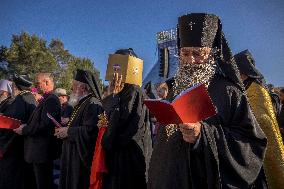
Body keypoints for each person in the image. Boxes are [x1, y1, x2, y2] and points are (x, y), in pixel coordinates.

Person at [148, 13, 267, 189]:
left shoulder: (229, 92)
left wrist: (202, 135)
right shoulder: (173, 86)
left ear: (211, 54)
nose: (190, 60)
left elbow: (252, 144)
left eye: (198, 53)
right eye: (185, 53)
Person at [235, 49, 284, 188]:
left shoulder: (255, 88)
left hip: (261, 143)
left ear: (243, 71)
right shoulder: (247, 86)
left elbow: (262, 119)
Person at [101, 48, 149, 189]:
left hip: (128, 157)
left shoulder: (133, 91)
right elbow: (104, 119)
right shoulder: (119, 91)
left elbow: (123, 124)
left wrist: (113, 98)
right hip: (118, 155)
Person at [55, 69, 103, 189]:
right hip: (72, 155)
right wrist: (65, 130)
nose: (71, 89)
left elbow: (91, 131)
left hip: (80, 161)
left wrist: (68, 131)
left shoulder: (92, 104)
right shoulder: (82, 103)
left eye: (74, 86)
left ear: (83, 88)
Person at [14, 73, 61, 189]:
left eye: (38, 83)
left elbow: (44, 125)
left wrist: (25, 129)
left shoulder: (51, 100)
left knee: (43, 183)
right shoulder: (47, 99)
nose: (36, 85)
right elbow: (39, 122)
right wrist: (27, 124)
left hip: (41, 152)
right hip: (38, 151)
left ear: (47, 82)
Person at [0, 74, 37, 189]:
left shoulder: (20, 100)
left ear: (15, 87)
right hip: (22, 147)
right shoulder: (29, 97)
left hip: (14, 148)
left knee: (13, 178)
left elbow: (11, 124)